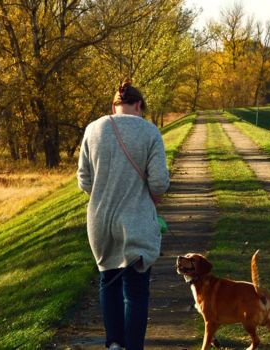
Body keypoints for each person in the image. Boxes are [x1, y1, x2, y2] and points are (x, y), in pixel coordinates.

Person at [77, 80, 170, 350]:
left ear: (114, 106)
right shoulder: (150, 132)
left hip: (100, 222)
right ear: (139, 105)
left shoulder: (92, 130)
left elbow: (84, 181)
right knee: (136, 290)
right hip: (137, 222)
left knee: (108, 282)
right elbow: (159, 184)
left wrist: (105, 194)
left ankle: (114, 344)